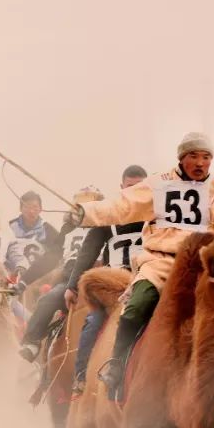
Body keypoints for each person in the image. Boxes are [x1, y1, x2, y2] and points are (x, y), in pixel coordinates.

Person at [71, 132, 214, 401]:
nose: (200, 163)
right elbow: (123, 205)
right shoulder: (158, 185)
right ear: (182, 158)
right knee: (136, 307)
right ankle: (117, 365)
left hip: (206, 268)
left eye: (206, 157)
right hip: (161, 264)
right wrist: (86, 213)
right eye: (194, 156)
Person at [62, 165, 149, 391]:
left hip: (149, 280)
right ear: (122, 188)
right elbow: (88, 252)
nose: (134, 191)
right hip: (114, 284)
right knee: (93, 321)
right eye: (130, 187)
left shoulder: (157, 215)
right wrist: (72, 286)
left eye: (140, 187)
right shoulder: (109, 216)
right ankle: (81, 376)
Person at [16, 186, 105, 362]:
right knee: (48, 299)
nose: (83, 209)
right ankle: (32, 343)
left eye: (90, 204)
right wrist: (24, 281)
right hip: (70, 281)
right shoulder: (67, 229)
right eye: (80, 205)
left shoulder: (105, 226)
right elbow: (50, 257)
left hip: (97, 279)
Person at [6, 191, 59, 278]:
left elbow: (58, 254)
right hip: (13, 275)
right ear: (20, 208)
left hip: (37, 277)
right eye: (27, 207)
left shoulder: (48, 229)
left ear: (41, 209)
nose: (31, 211)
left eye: (35, 207)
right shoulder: (10, 227)